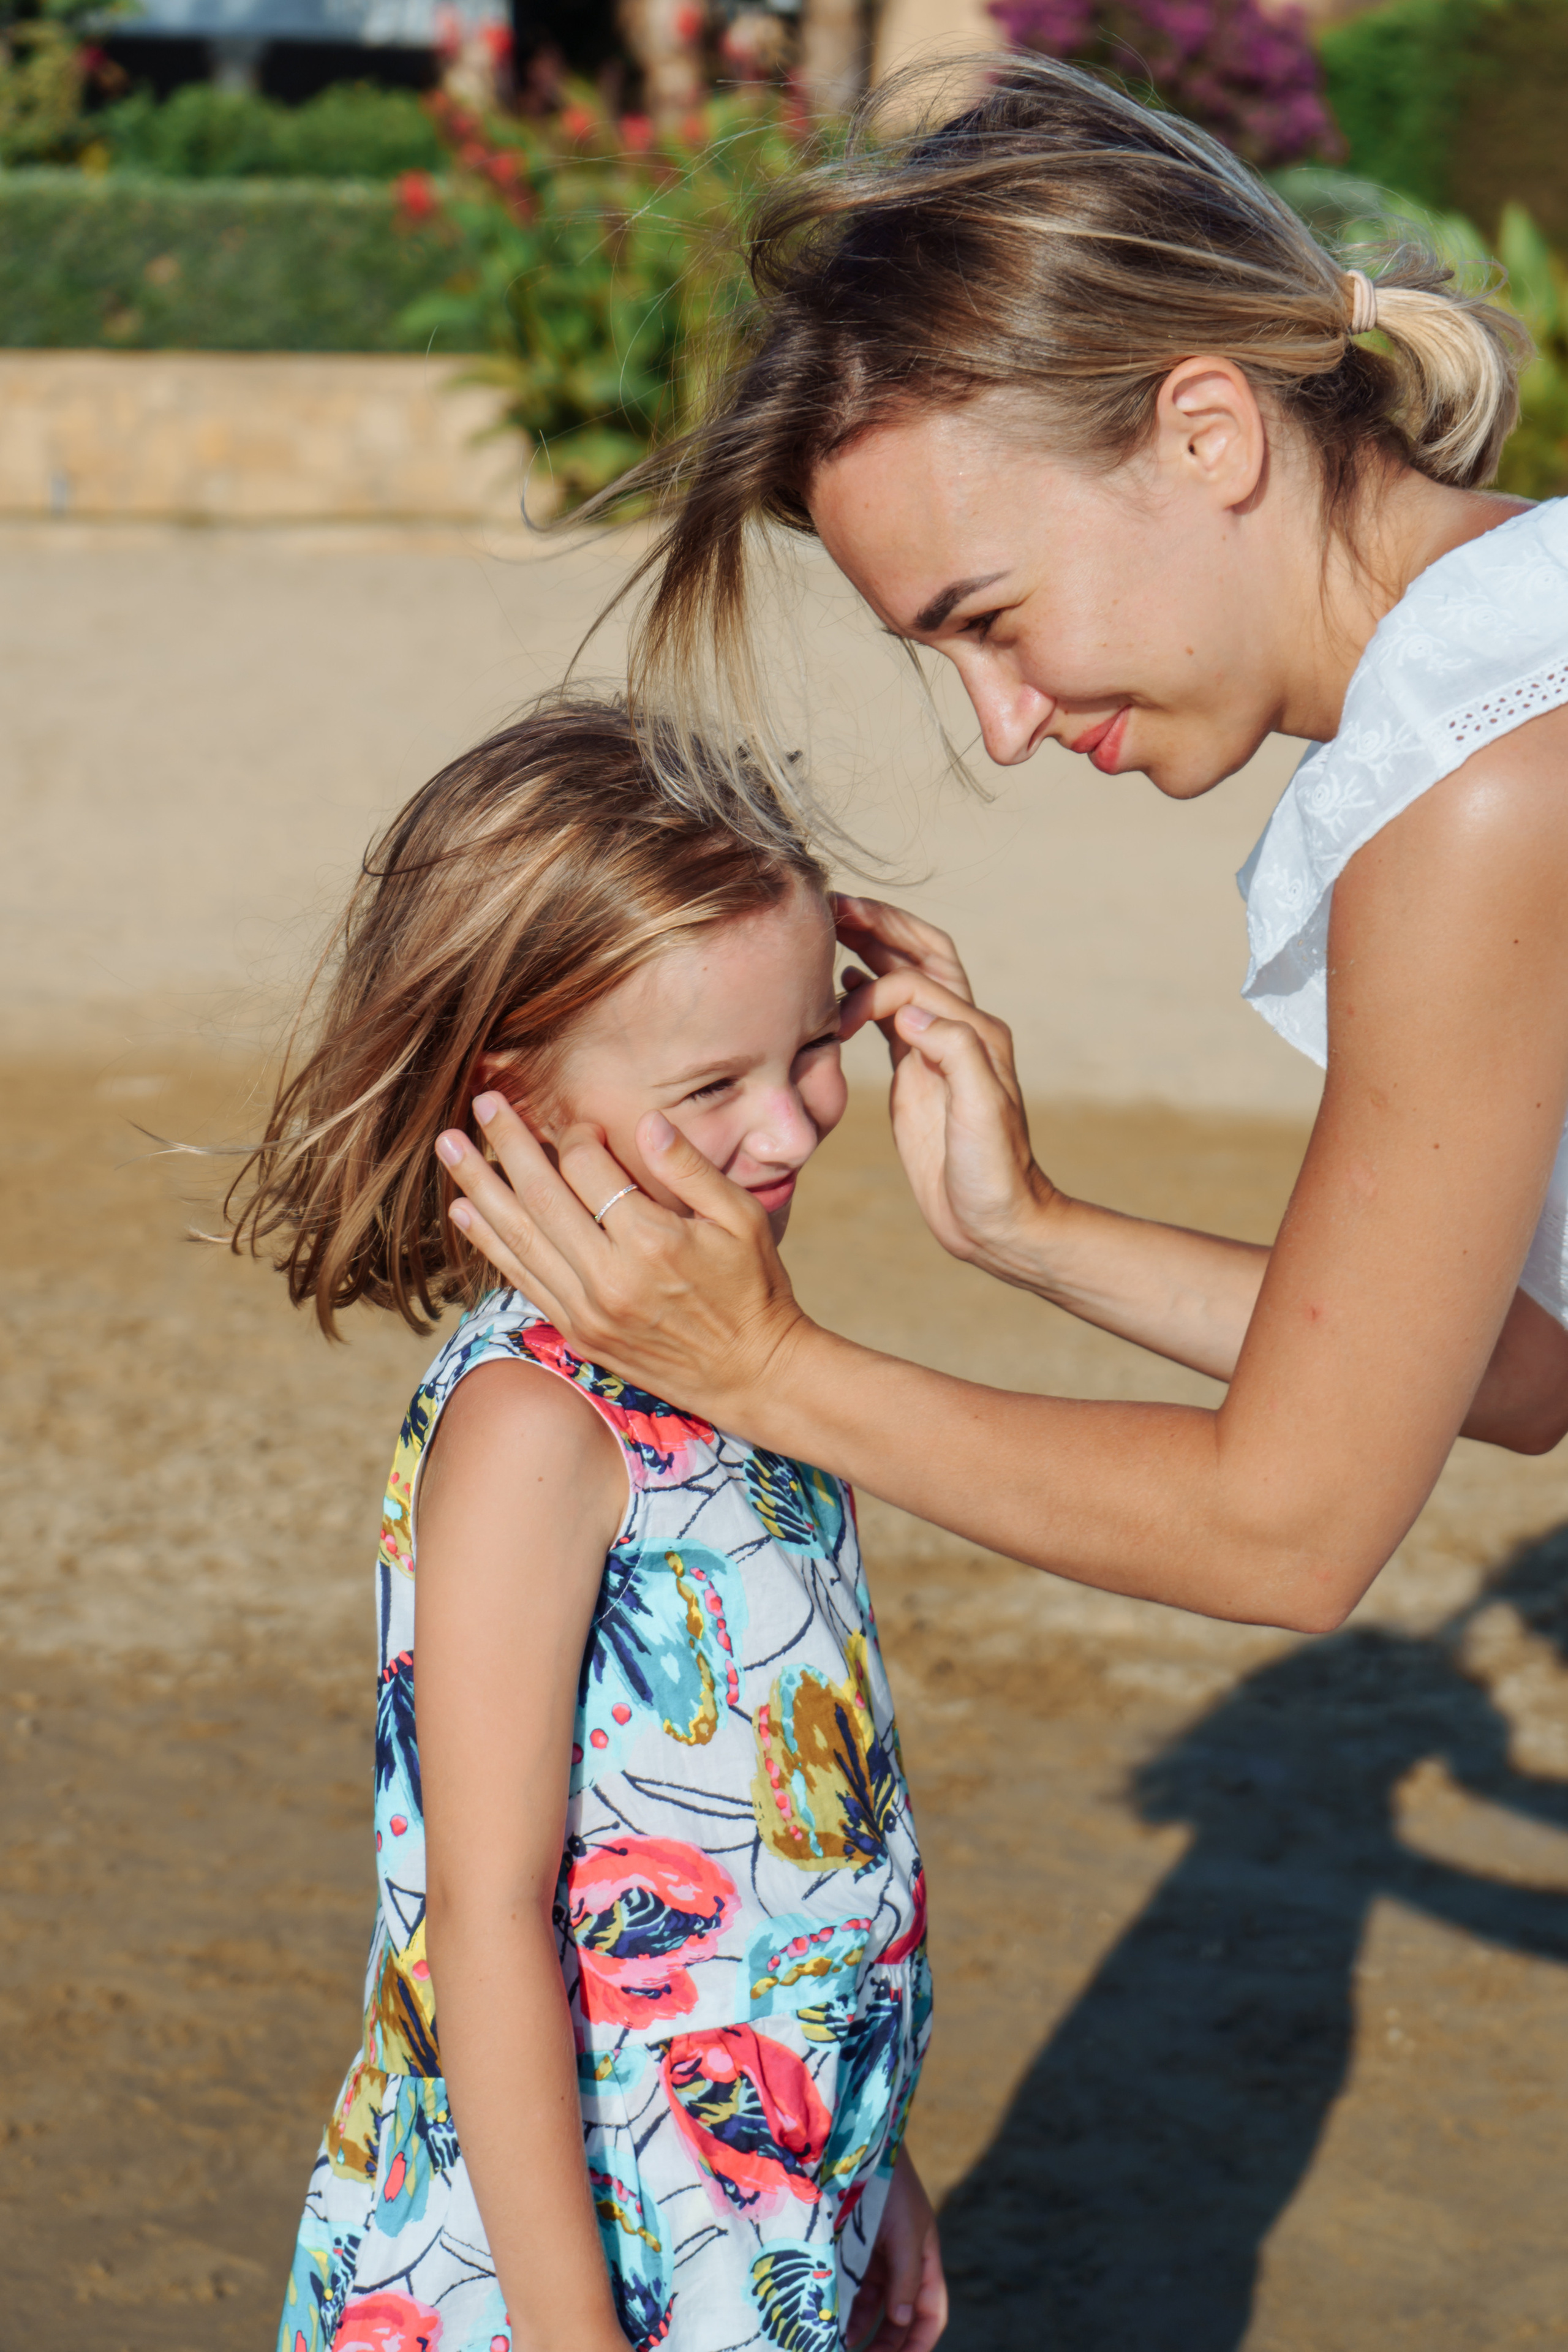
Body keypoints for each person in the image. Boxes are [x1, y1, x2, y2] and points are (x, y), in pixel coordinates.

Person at [435, 56, 1568, 1637]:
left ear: (1204, 433)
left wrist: (763, 1364)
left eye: (994, 618)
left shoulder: (1487, 780)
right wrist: (1021, 1227)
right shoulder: (1517, 654)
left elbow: (1285, 1534)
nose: (1003, 724)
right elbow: (1522, 1375)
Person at [236, 698, 942, 2352]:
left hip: (752, 2190)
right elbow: (481, 1912)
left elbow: (779, 1820)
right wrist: (569, 2331)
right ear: (519, 1099)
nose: (786, 1128)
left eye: (807, 1054)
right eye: (712, 1085)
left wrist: (869, 2159)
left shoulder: (725, 1347)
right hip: (573, 2257)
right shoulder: (534, 1427)